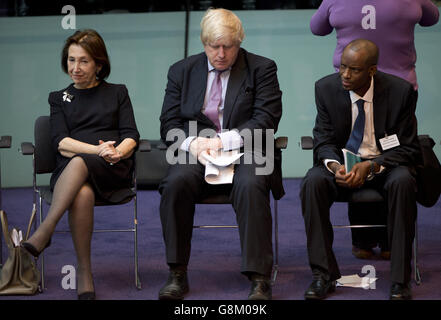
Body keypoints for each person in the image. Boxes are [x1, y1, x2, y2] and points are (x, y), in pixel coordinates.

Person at [158, 8, 283, 300]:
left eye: (229, 46)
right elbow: (168, 123)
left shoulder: (262, 68)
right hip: (197, 152)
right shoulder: (182, 71)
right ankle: (177, 273)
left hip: (247, 150)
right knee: (175, 183)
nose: (222, 53)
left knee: (251, 185)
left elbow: (266, 119)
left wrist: (223, 141)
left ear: (239, 42)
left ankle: (260, 278)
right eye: (214, 46)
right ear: (204, 43)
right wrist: (194, 145)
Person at [310, 0, 439, 259]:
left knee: (382, 153)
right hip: (369, 86)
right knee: (363, 147)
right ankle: (384, 242)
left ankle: (367, 242)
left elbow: (317, 27)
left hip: (392, 93)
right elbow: (432, 17)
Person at [21, 29, 140, 300]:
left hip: (111, 169)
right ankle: (85, 271)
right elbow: (61, 143)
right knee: (81, 188)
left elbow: (131, 135)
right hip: (72, 174)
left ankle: (46, 230)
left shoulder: (117, 92)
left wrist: (118, 153)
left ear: (99, 64)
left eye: (84, 61)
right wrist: (99, 150)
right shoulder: (58, 98)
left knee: (79, 164)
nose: (75, 68)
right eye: (71, 60)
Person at [300, 39, 420, 300]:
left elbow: (409, 148)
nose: (345, 74)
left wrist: (372, 165)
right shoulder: (326, 89)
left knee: (404, 182)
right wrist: (335, 167)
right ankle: (323, 275)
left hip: (383, 166)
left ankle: (400, 280)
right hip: (342, 165)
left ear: (372, 71)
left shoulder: (400, 92)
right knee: (312, 182)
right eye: (342, 67)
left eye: (353, 70)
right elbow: (323, 139)